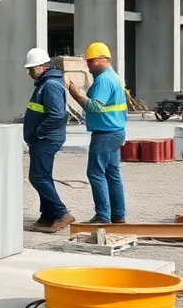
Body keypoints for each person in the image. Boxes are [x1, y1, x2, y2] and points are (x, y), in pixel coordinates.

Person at [67, 42, 128, 224]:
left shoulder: (104, 80)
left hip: (105, 134)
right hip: (115, 132)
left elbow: (95, 106)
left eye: (91, 61)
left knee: (95, 173)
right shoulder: (112, 77)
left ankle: (103, 216)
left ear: (103, 60)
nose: (88, 66)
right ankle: (118, 215)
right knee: (112, 175)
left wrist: (75, 93)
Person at [22, 48, 72, 232]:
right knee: (43, 176)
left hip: (46, 139)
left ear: (42, 66)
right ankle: (47, 216)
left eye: (31, 68)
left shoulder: (50, 85)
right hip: (43, 139)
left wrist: (38, 132)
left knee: (37, 177)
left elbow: (57, 115)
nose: (29, 73)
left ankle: (60, 213)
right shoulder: (46, 83)